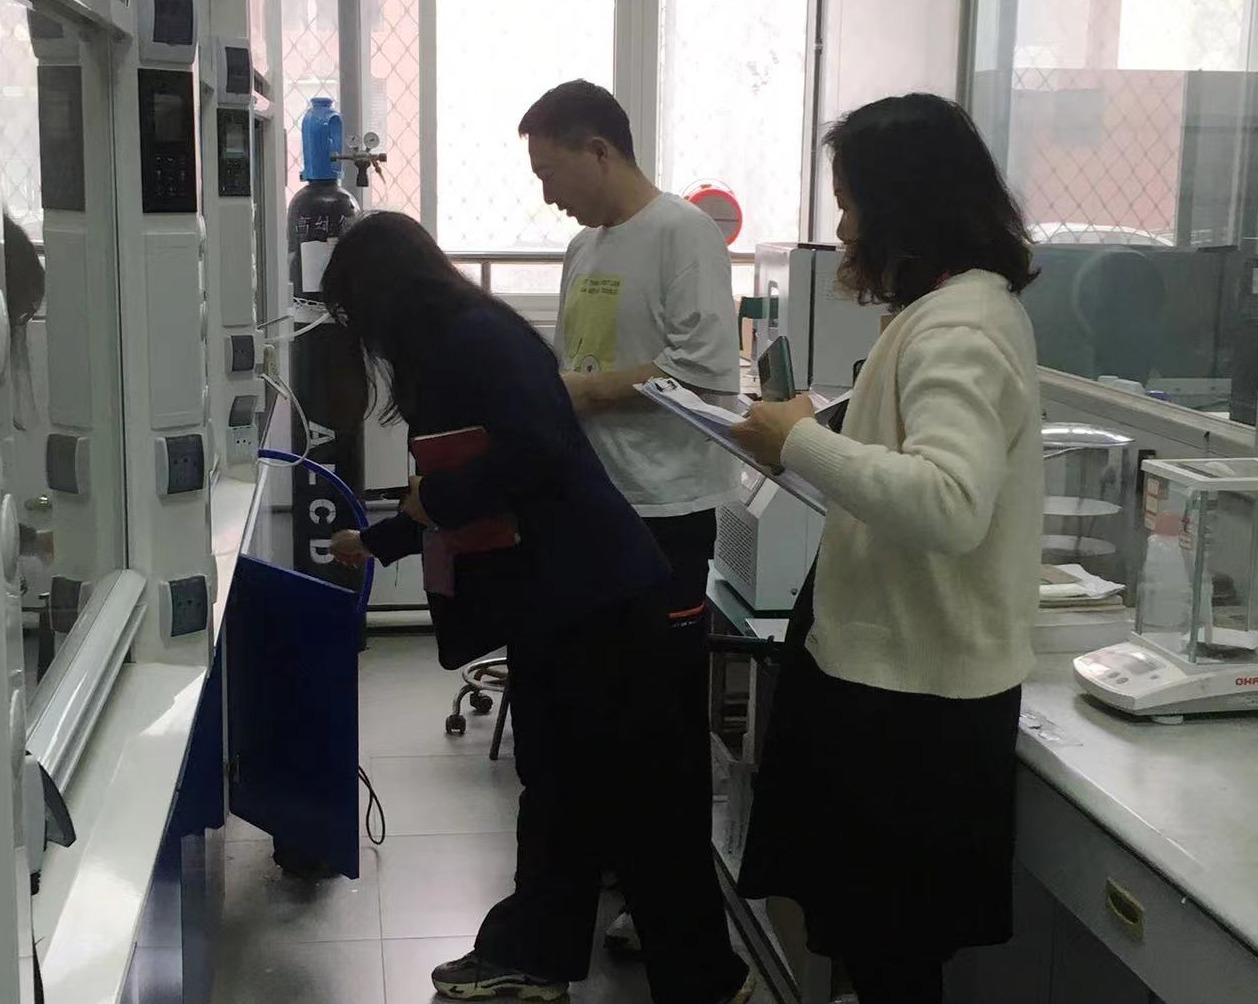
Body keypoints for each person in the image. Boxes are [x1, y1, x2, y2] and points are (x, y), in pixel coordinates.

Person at [321, 212, 753, 1004]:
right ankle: (538, 956)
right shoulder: (465, 339)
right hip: (561, 602)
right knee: (562, 787)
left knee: (639, 796)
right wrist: (383, 538)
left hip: (594, 600)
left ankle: (701, 979)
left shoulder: (475, 341)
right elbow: (470, 477)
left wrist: (426, 507)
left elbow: (528, 454)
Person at [730, 93, 1043, 1004]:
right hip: (887, 682)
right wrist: (804, 438)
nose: (843, 231)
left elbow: (948, 503)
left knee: (892, 957)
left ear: (905, 205)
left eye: (852, 204)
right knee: (871, 951)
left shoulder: (960, 327)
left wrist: (800, 439)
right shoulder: (946, 313)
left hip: (914, 714)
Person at [518, 78, 741, 959]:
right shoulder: (586, 247)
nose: (547, 195)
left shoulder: (683, 233)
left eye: (551, 172)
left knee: (658, 731)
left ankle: (684, 936)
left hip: (664, 514)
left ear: (599, 150)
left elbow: (704, 371)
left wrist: (576, 394)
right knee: (597, 721)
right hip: (594, 509)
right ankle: (631, 896)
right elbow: (582, 358)